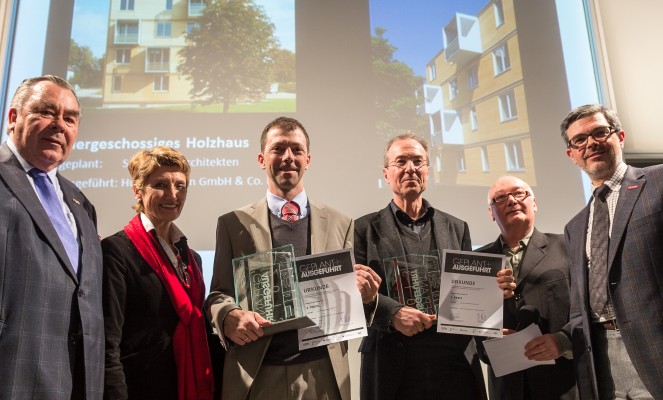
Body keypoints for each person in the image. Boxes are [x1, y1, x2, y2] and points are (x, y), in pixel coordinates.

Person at [205, 116, 381, 400]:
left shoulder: (341, 223)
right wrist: (228, 315)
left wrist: (367, 297)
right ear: (262, 159)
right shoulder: (232, 223)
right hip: (257, 375)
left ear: (308, 160)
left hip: (323, 375)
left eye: (296, 150)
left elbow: (350, 305)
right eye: (278, 149)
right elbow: (218, 294)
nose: (288, 157)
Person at [353, 133, 516, 400]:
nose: (410, 168)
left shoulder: (456, 227)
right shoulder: (363, 229)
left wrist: (493, 293)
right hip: (391, 363)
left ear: (428, 170)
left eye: (418, 161)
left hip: (454, 364)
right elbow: (354, 294)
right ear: (386, 173)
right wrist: (392, 314)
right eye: (401, 161)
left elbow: (469, 296)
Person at [0, 75, 103, 399]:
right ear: (13, 117)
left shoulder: (80, 202)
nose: (60, 125)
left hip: (76, 382)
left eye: (70, 118)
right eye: (46, 112)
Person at [561, 104, 662, 400]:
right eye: (579, 140)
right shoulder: (575, 226)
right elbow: (579, 308)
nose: (591, 143)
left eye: (600, 132)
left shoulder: (658, 182)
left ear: (620, 136)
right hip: (601, 361)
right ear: (572, 155)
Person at [102, 146, 216, 399]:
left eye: (180, 186)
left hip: (190, 386)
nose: (172, 194)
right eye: (160, 184)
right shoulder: (116, 251)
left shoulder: (191, 257)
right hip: (140, 388)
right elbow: (108, 342)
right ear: (138, 190)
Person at [475, 176, 576, 400]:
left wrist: (563, 340)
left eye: (519, 193)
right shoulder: (475, 262)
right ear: (491, 213)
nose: (511, 201)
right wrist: (488, 339)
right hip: (507, 389)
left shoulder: (568, 247)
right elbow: (467, 328)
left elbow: (589, 308)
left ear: (534, 202)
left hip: (564, 385)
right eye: (500, 198)